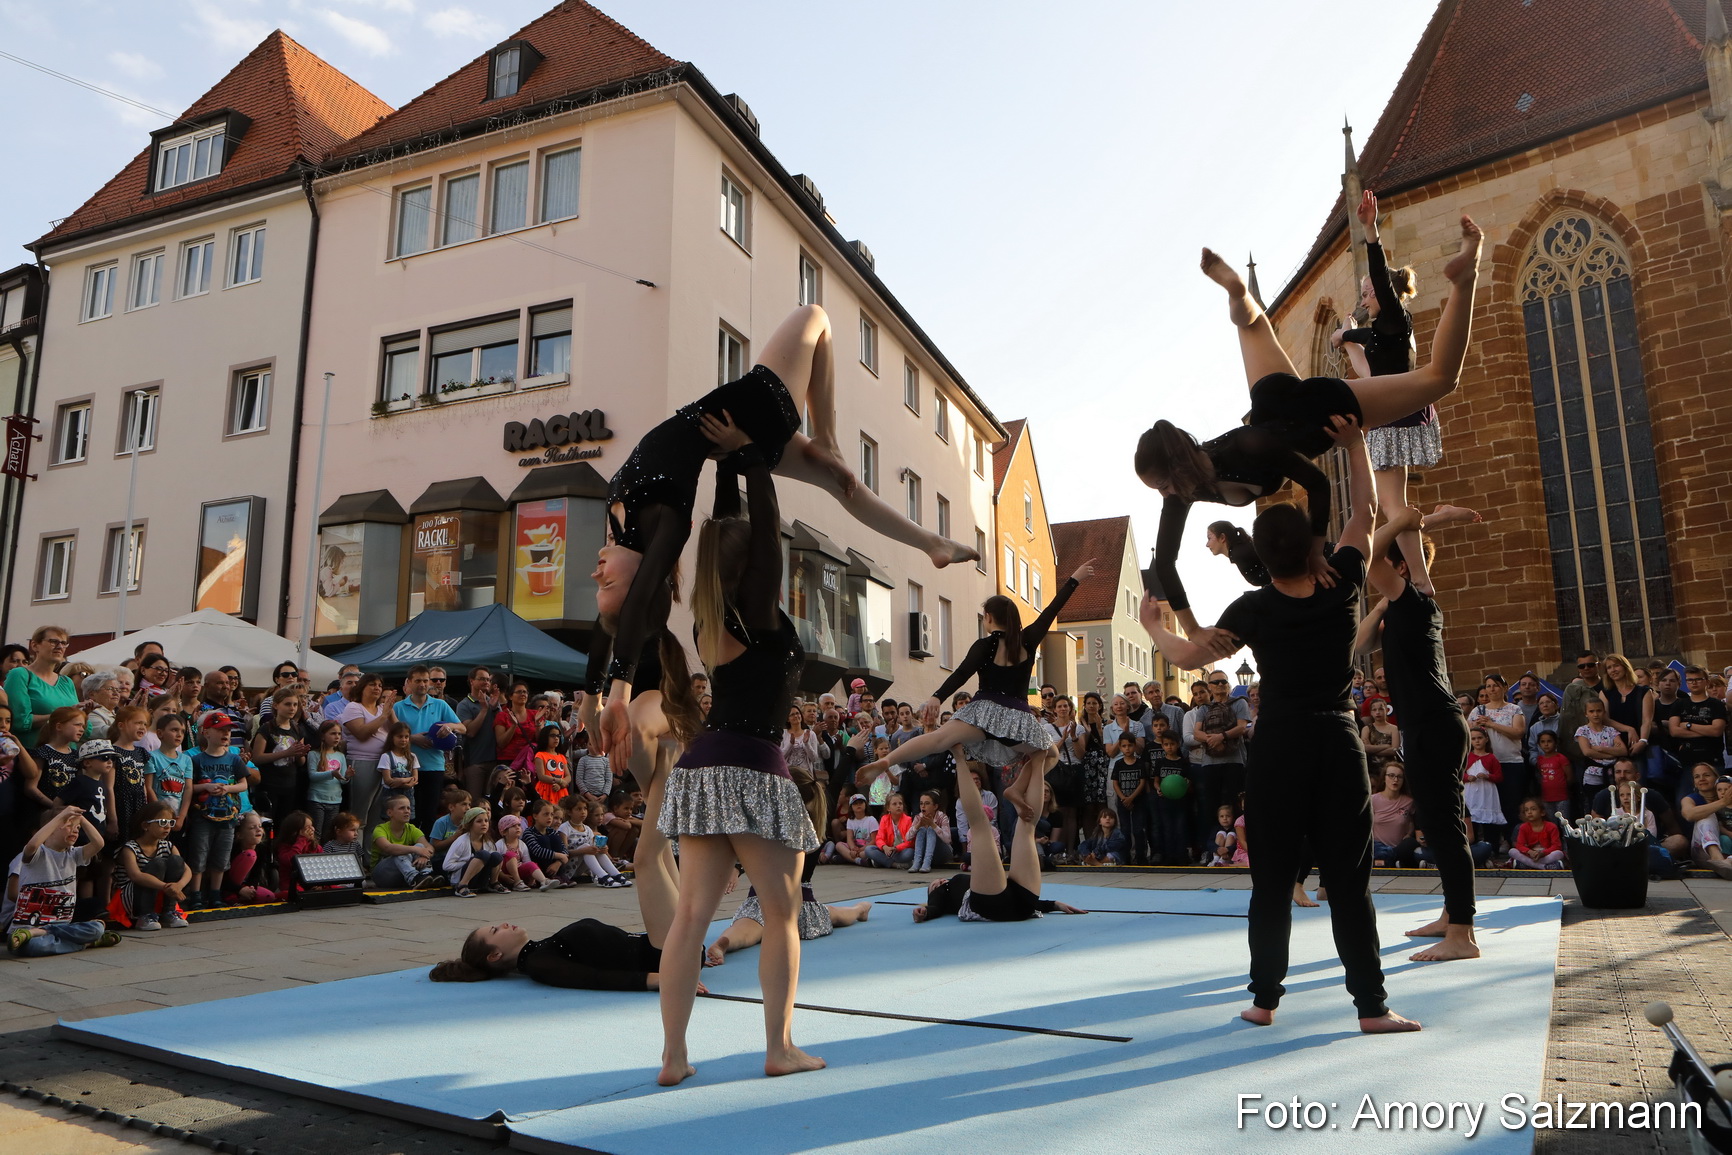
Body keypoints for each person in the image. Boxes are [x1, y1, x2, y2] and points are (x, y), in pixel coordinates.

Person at [590, 305, 974, 766]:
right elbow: (638, 602)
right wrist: (620, 691)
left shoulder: (614, 528)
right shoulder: (662, 520)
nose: (596, 572)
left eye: (598, 582)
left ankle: (930, 543)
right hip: (755, 409)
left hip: (733, 442)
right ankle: (830, 439)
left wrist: (593, 695)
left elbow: (609, 625)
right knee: (815, 317)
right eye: (608, 582)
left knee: (841, 486)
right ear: (644, 576)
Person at [1142, 418, 1419, 1032]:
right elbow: (1365, 514)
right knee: (1350, 880)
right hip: (1337, 740)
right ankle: (1371, 1007)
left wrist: (1155, 624)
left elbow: (1191, 656)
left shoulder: (1254, 606)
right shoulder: (1343, 579)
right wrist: (1353, 444)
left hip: (1278, 746)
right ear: (1310, 546)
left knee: (1270, 880)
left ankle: (1264, 1000)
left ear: (1259, 558)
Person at [1141, 219, 1482, 634]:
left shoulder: (1247, 445)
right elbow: (1164, 563)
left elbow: (1319, 483)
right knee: (1253, 325)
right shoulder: (1181, 490)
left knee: (1441, 379)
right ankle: (1237, 293)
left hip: (1318, 411)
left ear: (1175, 470)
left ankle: (1465, 278)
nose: (1162, 494)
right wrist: (1192, 628)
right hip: (1271, 403)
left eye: (1160, 484)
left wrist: (1317, 552)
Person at [655, 446, 825, 1088]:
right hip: (752, 762)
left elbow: (732, 525)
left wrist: (730, 463)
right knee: (781, 915)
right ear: (752, 562)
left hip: (704, 766)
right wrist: (756, 462)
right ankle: (779, 1047)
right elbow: (767, 535)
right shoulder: (754, 609)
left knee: (691, 915)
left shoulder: (708, 613)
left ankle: (673, 1056)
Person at [1353, 502, 1481, 962]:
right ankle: (1453, 914)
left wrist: (1406, 522)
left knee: (1446, 829)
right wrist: (1420, 522)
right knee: (1439, 823)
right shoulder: (1405, 607)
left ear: (1400, 568)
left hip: (1435, 726)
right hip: (1429, 727)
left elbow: (1367, 558)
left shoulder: (1415, 600)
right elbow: (1360, 644)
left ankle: (1462, 934)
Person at [856, 560, 1095, 783]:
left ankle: (887, 760)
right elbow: (1051, 610)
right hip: (1016, 719)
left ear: (988, 618)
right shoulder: (1028, 640)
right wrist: (1074, 579)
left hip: (982, 714)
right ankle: (1018, 790)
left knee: (937, 739)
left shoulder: (984, 645)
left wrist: (937, 697)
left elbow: (961, 674)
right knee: (1049, 754)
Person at [1333, 190, 1438, 591]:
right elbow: (1369, 376)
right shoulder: (1383, 334)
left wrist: (1369, 229)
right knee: (1394, 503)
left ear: (1381, 293)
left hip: (1396, 416)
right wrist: (1350, 341)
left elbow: (1379, 274)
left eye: (1366, 293)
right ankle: (1422, 576)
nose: (1364, 298)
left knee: (1393, 506)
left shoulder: (1395, 319)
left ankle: (1423, 580)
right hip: (1398, 411)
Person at [913, 743, 1088, 923]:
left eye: (935, 884)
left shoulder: (960, 884)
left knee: (1026, 824)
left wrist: (1054, 904)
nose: (938, 881)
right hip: (993, 904)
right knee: (981, 825)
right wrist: (926, 909)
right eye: (933, 886)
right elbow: (934, 906)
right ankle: (959, 757)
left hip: (1020, 904)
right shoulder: (943, 891)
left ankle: (1038, 758)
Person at [5, 806, 120, 956]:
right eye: (69, 826)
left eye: (77, 828)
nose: (75, 831)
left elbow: (99, 843)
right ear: (50, 829)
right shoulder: (38, 853)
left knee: (96, 929)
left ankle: (48, 933)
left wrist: (81, 819)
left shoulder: (74, 854)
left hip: (61, 925)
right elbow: (33, 844)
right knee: (31, 947)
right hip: (28, 928)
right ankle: (88, 943)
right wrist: (62, 815)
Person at [394, 665, 462, 830]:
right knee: (408, 815)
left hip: (434, 766)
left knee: (430, 814)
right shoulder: (398, 707)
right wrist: (412, 739)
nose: (423, 684)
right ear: (409, 682)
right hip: (406, 768)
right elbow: (390, 736)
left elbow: (463, 727)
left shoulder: (440, 705)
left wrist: (450, 727)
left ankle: (427, 852)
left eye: (425, 680)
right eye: (418, 681)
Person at [113, 801, 192, 930]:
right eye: (162, 823)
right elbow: (136, 876)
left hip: (160, 892)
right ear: (145, 825)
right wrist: (166, 887)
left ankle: (169, 912)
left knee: (177, 861)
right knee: (158, 863)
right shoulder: (130, 848)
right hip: (133, 897)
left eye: (170, 823)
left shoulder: (168, 845)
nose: (167, 827)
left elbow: (186, 870)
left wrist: (178, 886)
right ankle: (145, 915)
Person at [4, 627, 78, 749]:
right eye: (53, 641)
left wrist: (83, 713)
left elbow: (85, 730)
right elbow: (20, 721)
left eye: (64, 643)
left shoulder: (67, 682)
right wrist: (64, 717)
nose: (60, 647)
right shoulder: (20, 675)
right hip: (34, 756)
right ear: (35, 645)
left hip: (68, 758)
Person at [340, 674, 396, 830]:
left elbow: (398, 732)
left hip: (384, 764)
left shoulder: (382, 709)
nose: (377, 688)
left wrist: (390, 714)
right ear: (362, 688)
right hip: (362, 762)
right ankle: (355, 852)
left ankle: (370, 855)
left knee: (377, 818)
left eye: (379, 685)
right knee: (359, 816)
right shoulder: (353, 707)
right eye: (372, 684)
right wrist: (384, 715)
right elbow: (361, 733)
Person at [369, 793, 438, 890]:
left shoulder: (411, 829)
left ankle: (426, 875)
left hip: (402, 874)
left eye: (408, 808)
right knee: (399, 851)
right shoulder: (380, 829)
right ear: (390, 813)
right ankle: (414, 878)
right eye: (402, 808)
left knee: (420, 845)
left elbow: (429, 847)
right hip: (382, 875)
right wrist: (415, 849)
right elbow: (388, 848)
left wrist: (424, 856)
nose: (407, 812)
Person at [1574, 697, 1627, 818]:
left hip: (1611, 775)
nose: (1595, 714)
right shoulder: (1583, 731)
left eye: (1598, 711)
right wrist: (1613, 753)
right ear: (1586, 713)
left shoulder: (1610, 730)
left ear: (1604, 712)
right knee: (1594, 806)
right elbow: (1587, 752)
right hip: (1592, 775)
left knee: (1613, 805)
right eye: (1591, 711)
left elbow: (1623, 750)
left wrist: (1601, 749)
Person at [1681, 764, 1732, 880]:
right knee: (1707, 817)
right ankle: (1718, 860)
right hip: (1703, 852)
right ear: (1694, 782)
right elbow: (1689, 814)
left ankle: (1728, 863)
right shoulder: (1690, 799)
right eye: (1697, 777)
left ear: (1716, 779)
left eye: (1706, 775)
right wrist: (1723, 802)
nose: (1702, 779)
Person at [442, 807, 503, 896]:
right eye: (479, 821)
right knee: (483, 855)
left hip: (479, 878)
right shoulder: (461, 841)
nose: (484, 824)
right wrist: (470, 862)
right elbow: (446, 866)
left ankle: (493, 883)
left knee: (497, 855)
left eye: (486, 821)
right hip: (460, 878)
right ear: (470, 824)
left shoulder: (488, 842)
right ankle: (462, 886)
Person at [1108, 733, 1149, 864]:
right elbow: (1115, 783)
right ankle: (1125, 857)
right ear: (1120, 747)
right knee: (1125, 829)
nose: (1127, 749)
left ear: (1134, 746)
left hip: (1138, 801)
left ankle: (1141, 856)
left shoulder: (1140, 763)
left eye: (1130, 745)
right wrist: (1123, 798)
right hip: (1122, 802)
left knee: (1138, 829)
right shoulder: (1119, 764)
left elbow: (1142, 782)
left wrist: (1131, 797)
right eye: (1124, 746)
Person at [307, 720, 349, 842]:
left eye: (339, 734)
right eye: (333, 733)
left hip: (335, 800)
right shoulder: (314, 754)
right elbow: (312, 776)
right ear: (322, 736)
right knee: (316, 832)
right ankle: (314, 855)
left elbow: (343, 781)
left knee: (329, 833)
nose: (337, 737)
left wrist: (347, 776)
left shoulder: (340, 756)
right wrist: (331, 773)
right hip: (317, 799)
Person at [1462, 731, 1505, 848]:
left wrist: (1488, 776)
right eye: (1474, 738)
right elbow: (1460, 774)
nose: (1477, 741)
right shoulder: (1467, 757)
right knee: (1471, 819)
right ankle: (1472, 847)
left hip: (1487, 792)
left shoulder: (1491, 758)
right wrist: (1467, 777)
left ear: (1486, 739)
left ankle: (1492, 848)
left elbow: (1499, 776)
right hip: (1471, 792)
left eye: (1480, 738)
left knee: (1489, 823)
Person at [1205, 519, 1269, 590]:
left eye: (1209, 538)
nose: (1207, 545)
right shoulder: (1240, 551)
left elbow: (1270, 576)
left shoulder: (1240, 553)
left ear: (1222, 537)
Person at [862, 792, 916, 869]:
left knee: (910, 853)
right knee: (868, 849)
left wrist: (896, 848)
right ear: (888, 808)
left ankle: (881, 861)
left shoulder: (908, 820)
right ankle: (894, 864)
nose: (898, 806)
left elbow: (909, 842)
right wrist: (884, 847)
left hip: (900, 852)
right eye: (894, 804)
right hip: (887, 851)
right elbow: (879, 838)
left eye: (900, 804)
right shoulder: (884, 819)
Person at [1508, 799, 1564, 869]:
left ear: (1542, 812)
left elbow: (1557, 846)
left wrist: (1543, 853)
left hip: (1546, 855)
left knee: (1559, 853)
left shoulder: (1551, 826)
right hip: (1530, 855)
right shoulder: (1523, 827)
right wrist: (1530, 852)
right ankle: (1543, 867)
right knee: (1512, 851)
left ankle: (1528, 865)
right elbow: (1520, 845)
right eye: (1526, 810)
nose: (1529, 812)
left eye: (1533, 809)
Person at [1533, 730, 1574, 822]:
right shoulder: (1540, 760)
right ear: (1539, 744)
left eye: (1549, 741)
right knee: (1551, 822)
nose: (1546, 744)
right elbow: (1541, 776)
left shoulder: (1561, 758)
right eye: (1542, 742)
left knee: (1564, 822)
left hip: (1561, 797)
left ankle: (1566, 836)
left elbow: (1570, 777)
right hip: (1546, 798)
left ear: (1555, 743)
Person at [908, 790, 954, 873]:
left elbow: (948, 839)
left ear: (935, 806)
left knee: (930, 829)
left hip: (942, 853)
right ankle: (917, 862)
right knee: (921, 829)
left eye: (927, 803)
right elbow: (907, 837)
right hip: (925, 852)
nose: (923, 806)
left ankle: (927, 863)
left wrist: (933, 825)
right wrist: (918, 825)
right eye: (921, 803)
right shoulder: (918, 817)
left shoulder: (942, 817)